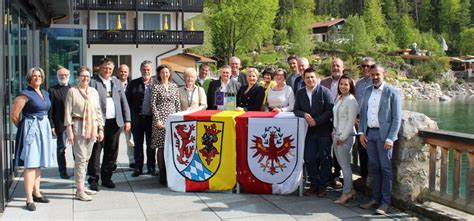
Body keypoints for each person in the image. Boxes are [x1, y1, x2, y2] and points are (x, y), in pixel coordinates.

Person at [359, 64, 402, 215]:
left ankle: (385, 202)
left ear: (384, 74)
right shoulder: (367, 91)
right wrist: (361, 133)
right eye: (372, 75)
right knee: (374, 168)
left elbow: (396, 119)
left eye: (378, 74)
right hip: (370, 134)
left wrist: (391, 138)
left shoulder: (393, 92)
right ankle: (374, 199)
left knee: (386, 169)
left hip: (384, 137)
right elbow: (363, 114)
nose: (375, 77)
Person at [11, 67, 54, 211]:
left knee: (38, 163)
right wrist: (25, 129)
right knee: (30, 163)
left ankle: (37, 192)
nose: (37, 78)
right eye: (34, 76)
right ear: (29, 78)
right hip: (31, 129)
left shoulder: (45, 93)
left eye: (39, 76)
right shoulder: (25, 94)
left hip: (43, 129)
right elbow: (14, 116)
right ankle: (29, 198)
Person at [87, 57, 131, 191]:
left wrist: (127, 120)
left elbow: (124, 101)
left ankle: (107, 177)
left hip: (115, 122)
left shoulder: (116, 82)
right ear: (100, 68)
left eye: (110, 69)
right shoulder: (93, 82)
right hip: (99, 123)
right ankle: (94, 179)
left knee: (112, 152)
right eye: (105, 68)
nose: (107, 71)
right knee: (96, 152)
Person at [64, 67, 104, 201]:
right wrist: (69, 129)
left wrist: (100, 128)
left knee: (86, 158)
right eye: (83, 76)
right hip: (78, 126)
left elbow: (98, 111)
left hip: (92, 126)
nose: (85, 78)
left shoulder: (94, 92)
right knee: (80, 159)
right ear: (78, 77)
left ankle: (82, 184)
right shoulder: (72, 91)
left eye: (88, 76)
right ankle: (79, 190)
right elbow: (67, 111)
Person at [293, 67, 334, 197]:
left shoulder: (325, 92)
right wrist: (304, 114)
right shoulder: (300, 93)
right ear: (304, 79)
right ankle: (313, 185)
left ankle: (322, 187)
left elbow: (329, 111)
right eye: (307, 77)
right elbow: (296, 110)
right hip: (309, 132)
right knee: (309, 158)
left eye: (312, 77)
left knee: (325, 158)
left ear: (316, 78)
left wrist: (316, 121)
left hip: (323, 131)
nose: (310, 80)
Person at [127, 61, 158, 177]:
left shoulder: (156, 83)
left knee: (151, 144)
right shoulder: (133, 83)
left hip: (151, 119)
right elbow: (127, 101)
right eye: (144, 69)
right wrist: (129, 119)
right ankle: (138, 168)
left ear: (151, 70)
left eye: (148, 69)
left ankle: (151, 167)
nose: (146, 71)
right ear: (141, 70)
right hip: (137, 119)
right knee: (138, 144)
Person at [151, 64, 180, 185]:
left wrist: (178, 119)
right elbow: (152, 104)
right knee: (161, 147)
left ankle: (171, 172)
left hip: (172, 119)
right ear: (159, 74)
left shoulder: (174, 86)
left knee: (172, 146)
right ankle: (162, 174)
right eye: (162, 72)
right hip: (160, 122)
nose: (165, 74)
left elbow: (177, 104)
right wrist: (158, 119)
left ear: (170, 73)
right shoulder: (156, 87)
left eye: (167, 72)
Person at [332, 75, 358, 204]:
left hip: (345, 137)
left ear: (350, 86)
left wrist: (342, 137)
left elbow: (351, 122)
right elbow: (337, 117)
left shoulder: (351, 100)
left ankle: (346, 193)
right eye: (341, 84)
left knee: (345, 167)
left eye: (346, 84)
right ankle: (351, 190)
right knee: (342, 165)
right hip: (336, 135)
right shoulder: (339, 98)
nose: (343, 86)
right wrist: (334, 131)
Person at [320, 57, 345, 188]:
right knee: (325, 148)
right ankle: (326, 174)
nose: (335, 68)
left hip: (341, 121)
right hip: (326, 120)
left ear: (343, 68)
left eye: (338, 66)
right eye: (333, 66)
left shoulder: (347, 82)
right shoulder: (323, 82)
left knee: (338, 149)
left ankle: (337, 175)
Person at [353, 57, 375, 189]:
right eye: (363, 66)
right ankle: (364, 178)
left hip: (372, 124)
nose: (366, 68)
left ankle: (372, 182)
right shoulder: (359, 84)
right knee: (362, 151)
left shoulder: (376, 83)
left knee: (372, 153)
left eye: (368, 66)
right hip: (360, 123)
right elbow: (355, 102)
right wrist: (355, 118)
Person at [48, 67, 72, 179]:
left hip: (74, 125)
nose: (63, 77)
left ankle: (78, 170)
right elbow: (50, 110)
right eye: (61, 75)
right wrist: (52, 125)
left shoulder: (74, 89)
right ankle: (62, 171)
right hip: (60, 125)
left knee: (76, 149)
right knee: (61, 148)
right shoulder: (52, 90)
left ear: (69, 76)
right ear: (57, 76)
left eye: (65, 75)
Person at [117, 64, 135, 169]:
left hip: (129, 118)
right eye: (121, 71)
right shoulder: (113, 83)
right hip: (116, 117)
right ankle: (114, 162)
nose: (123, 73)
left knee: (130, 141)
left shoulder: (132, 84)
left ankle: (132, 160)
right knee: (115, 142)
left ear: (128, 73)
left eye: (125, 72)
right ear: (118, 72)